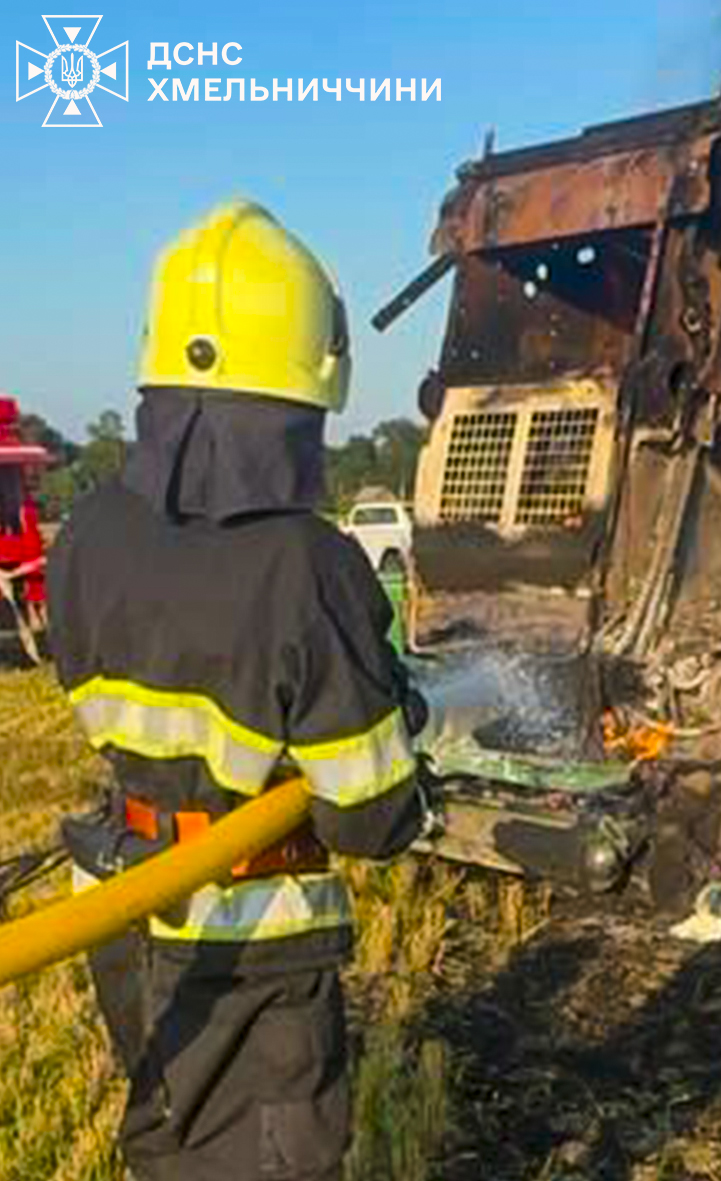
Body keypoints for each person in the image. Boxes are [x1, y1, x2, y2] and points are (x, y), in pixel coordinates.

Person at [47, 200, 429, 1181]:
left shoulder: (85, 528)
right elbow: (373, 817)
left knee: (169, 1140)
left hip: (121, 909)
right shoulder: (310, 565)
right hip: (252, 950)